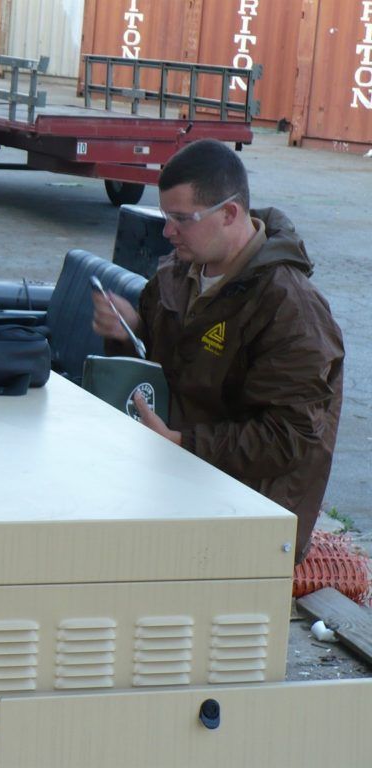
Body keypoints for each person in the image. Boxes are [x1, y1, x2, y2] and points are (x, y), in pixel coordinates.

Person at [92, 139, 344, 564]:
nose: (167, 231)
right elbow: (165, 358)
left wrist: (182, 443)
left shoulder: (290, 308)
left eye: (181, 219)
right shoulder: (179, 270)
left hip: (250, 518)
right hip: (177, 478)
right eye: (165, 215)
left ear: (229, 214)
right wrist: (128, 329)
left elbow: (291, 438)